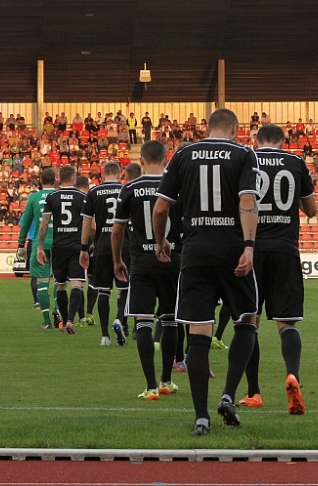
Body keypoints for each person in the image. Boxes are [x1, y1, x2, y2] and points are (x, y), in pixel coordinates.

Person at [153, 108, 260, 436]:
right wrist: (249, 245)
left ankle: (201, 418)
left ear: (208, 127)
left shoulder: (183, 154)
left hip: (195, 252)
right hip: (232, 250)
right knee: (247, 319)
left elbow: (161, 207)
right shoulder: (244, 154)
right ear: (235, 129)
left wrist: (160, 241)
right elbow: (247, 200)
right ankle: (228, 395)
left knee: (198, 334)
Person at [239, 124, 317, 414]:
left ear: (256, 140)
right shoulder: (295, 162)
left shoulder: (247, 158)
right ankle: (292, 374)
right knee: (287, 323)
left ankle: (254, 392)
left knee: (249, 321)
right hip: (285, 249)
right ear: (283, 142)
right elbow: (311, 210)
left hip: (252, 248)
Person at [112, 140, 183, 401]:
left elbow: (117, 230)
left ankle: (151, 386)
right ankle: (166, 381)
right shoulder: (177, 185)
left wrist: (117, 260)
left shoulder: (130, 188)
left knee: (143, 321)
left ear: (141, 160)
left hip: (142, 261)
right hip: (172, 259)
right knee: (170, 320)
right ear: (166, 158)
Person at [80, 162, 127, 346]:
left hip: (103, 246)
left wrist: (84, 248)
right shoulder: (125, 189)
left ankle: (105, 336)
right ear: (120, 174)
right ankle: (120, 319)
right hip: (123, 245)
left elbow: (87, 223)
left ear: (102, 174)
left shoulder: (93, 192)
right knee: (125, 288)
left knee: (103, 290)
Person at [36, 166, 87, 333]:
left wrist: (40, 247)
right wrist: (90, 244)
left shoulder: (52, 197)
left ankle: (64, 322)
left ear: (59, 178)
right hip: (76, 246)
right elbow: (90, 224)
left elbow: (44, 223)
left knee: (61, 285)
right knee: (77, 283)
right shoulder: (82, 197)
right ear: (73, 178)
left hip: (59, 246)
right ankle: (71, 320)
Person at [18, 168, 58, 325]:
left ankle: (47, 321)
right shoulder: (60, 195)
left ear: (40, 181)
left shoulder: (34, 198)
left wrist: (21, 244)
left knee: (42, 281)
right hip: (60, 242)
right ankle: (58, 310)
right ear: (55, 180)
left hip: (40, 242)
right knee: (60, 281)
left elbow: (26, 223)